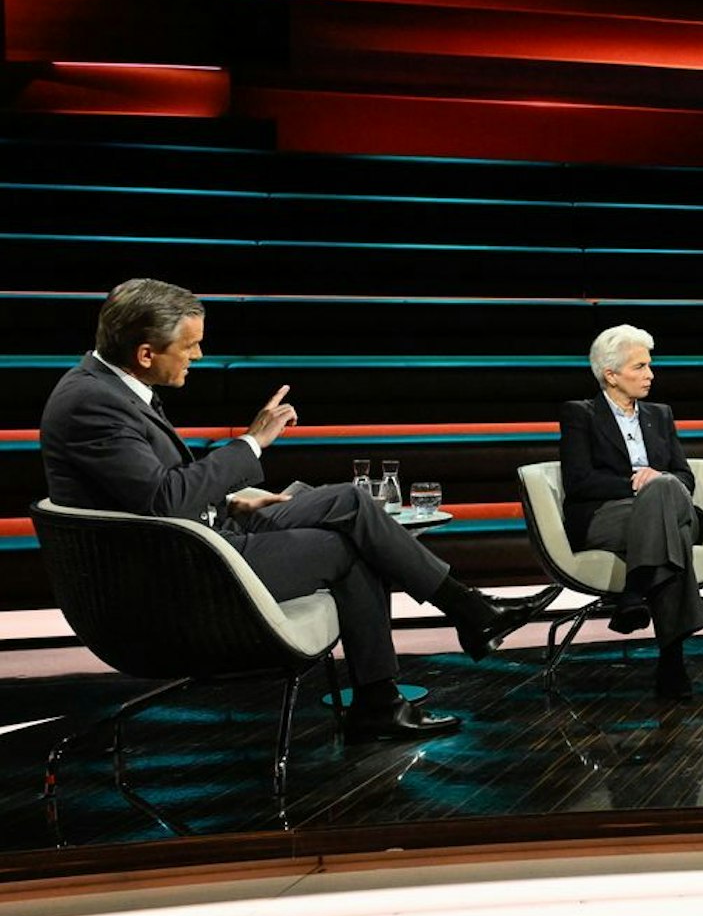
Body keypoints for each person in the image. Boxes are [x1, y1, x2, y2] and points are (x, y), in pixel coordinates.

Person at [40, 279, 538, 742]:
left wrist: (232, 498)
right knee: (346, 548)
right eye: (189, 345)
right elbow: (162, 499)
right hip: (184, 570)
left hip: (205, 532)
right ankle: (391, 690)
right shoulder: (92, 404)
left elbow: (143, 492)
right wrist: (251, 444)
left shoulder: (109, 388)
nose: (198, 354)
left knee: (350, 500)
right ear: (145, 354)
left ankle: (468, 613)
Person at [558, 324, 703, 700]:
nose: (651, 374)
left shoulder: (660, 414)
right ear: (610, 375)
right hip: (609, 516)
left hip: (665, 509)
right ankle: (672, 659)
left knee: (664, 489)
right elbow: (580, 482)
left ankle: (635, 591)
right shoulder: (580, 414)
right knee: (669, 526)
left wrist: (657, 481)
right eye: (640, 367)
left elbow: (684, 477)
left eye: (649, 365)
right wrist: (637, 483)